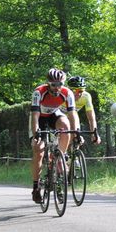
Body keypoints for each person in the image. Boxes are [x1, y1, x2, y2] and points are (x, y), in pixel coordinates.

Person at [29, 68, 80, 204]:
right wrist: (36, 134)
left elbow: (72, 114)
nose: (57, 88)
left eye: (60, 84)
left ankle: (59, 157)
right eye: (53, 85)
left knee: (66, 126)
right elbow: (34, 116)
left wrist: (76, 132)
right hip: (39, 117)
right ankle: (36, 186)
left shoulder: (67, 93)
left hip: (54, 115)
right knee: (39, 150)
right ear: (48, 83)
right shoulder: (38, 92)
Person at [67, 76, 102, 146]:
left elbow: (91, 118)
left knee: (77, 137)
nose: (78, 94)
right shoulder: (64, 94)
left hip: (73, 114)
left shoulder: (86, 96)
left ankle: (74, 153)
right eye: (75, 91)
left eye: (81, 91)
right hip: (59, 115)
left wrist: (94, 133)